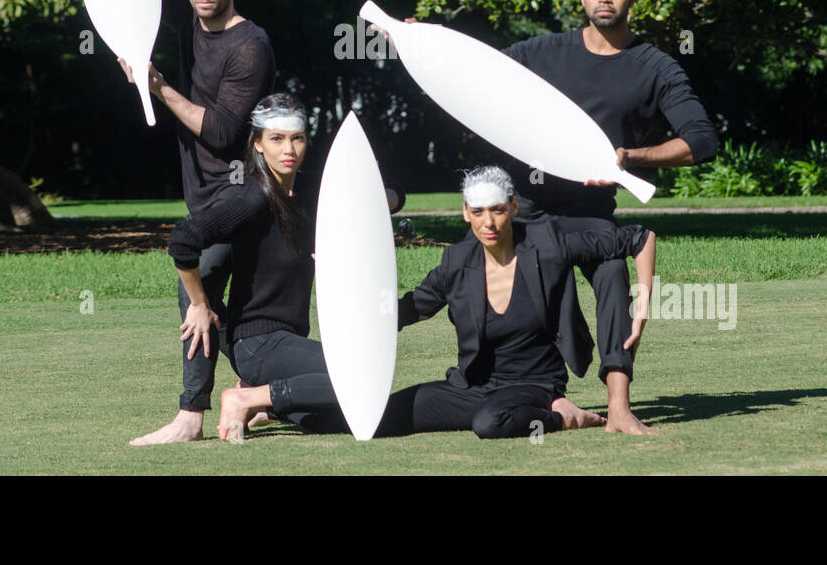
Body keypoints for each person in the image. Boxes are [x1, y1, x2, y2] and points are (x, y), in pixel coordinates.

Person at [217, 165, 656, 441]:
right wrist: (345, 274)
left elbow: (639, 237)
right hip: (469, 387)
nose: (489, 222)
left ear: (514, 207)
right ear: (466, 212)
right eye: (478, 212)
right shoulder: (456, 262)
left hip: (533, 385)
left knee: (491, 424)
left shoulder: (550, 245)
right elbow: (407, 310)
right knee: (365, 419)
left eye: (499, 210)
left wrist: (643, 300)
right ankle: (270, 407)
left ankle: (563, 415)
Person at [502, 0, 717, 434]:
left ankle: (618, 404)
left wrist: (630, 158)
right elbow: (475, 77)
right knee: (537, 281)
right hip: (527, 211)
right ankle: (551, 396)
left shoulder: (654, 67)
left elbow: (701, 141)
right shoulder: (539, 53)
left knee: (614, 274)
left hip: (592, 214)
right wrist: (416, 40)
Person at [125, 0, 276, 445]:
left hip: (248, 190)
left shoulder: (250, 45)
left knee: (200, 286)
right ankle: (263, 390)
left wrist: (159, 87)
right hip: (204, 190)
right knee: (235, 311)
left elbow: (221, 132)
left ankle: (192, 415)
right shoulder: (189, 21)